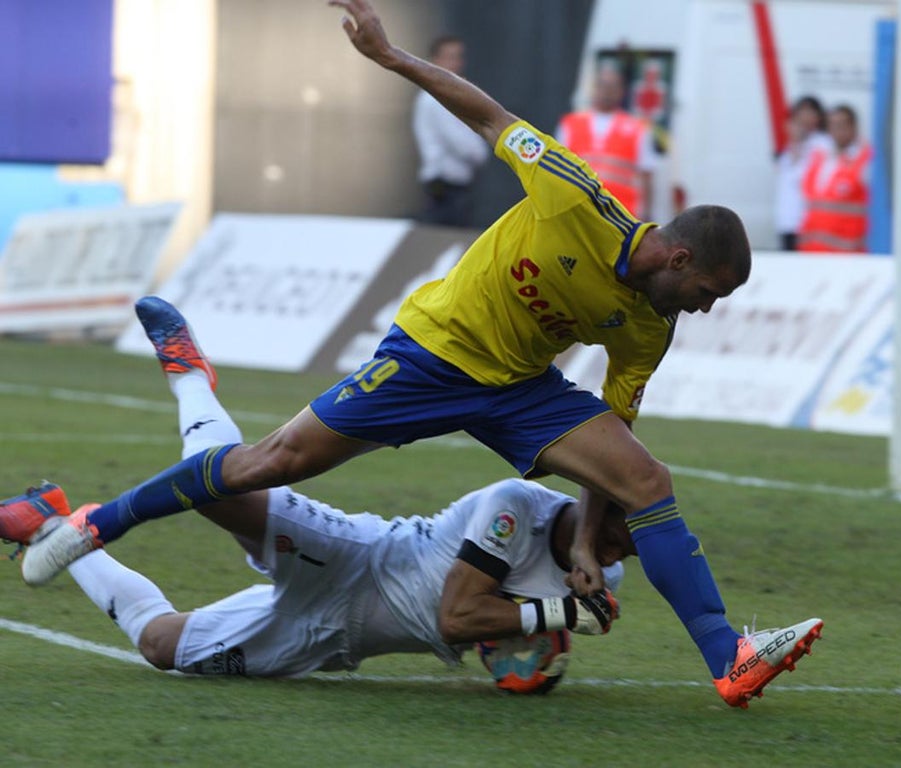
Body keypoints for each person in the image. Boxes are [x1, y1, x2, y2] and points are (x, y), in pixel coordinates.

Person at [21, 0, 822, 709]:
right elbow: (485, 114)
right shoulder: (575, 197)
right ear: (679, 260)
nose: (708, 308)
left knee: (647, 478)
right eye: (710, 290)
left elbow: (614, 435)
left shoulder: (651, 324)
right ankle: (99, 524)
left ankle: (731, 658)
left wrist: (583, 541)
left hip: (519, 389)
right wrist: (390, 56)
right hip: (436, 354)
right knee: (270, 464)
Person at [1, 306, 628, 679]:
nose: (636, 542)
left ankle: (51, 523)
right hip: (352, 554)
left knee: (160, 646)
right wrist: (559, 617)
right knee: (213, 480)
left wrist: (530, 658)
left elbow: (502, 634)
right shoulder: (516, 506)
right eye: (635, 523)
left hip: (336, 637)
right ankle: (191, 374)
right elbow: (456, 616)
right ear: (600, 503)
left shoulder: (604, 577)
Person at [556, 64, 659, 219]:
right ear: (595, 88)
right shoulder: (570, 124)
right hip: (578, 213)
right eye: (603, 85)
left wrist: (645, 218)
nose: (606, 92)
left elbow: (646, 177)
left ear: (621, 91)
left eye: (612, 87)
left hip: (621, 217)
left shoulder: (637, 129)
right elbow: (558, 170)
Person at [412, 35, 489, 227]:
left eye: (458, 57)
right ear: (435, 60)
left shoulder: (448, 97)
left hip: (457, 189)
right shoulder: (435, 99)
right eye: (450, 57)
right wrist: (481, 152)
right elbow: (464, 145)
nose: (456, 63)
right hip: (445, 191)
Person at [798, 104, 873, 254]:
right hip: (811, 250)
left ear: (853, 127)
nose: (835, 131)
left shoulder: (865, 161)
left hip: (846, 254)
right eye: (831, 125)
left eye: (841, 125)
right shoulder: (820, 157)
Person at [773, 96, 830, 251]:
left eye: (809, 113)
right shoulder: (790, 147)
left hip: (806, 220)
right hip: (787, 219)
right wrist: (795, 143)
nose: (804, 118)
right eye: (800, 113)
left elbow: (805, 178)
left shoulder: (823, 144)